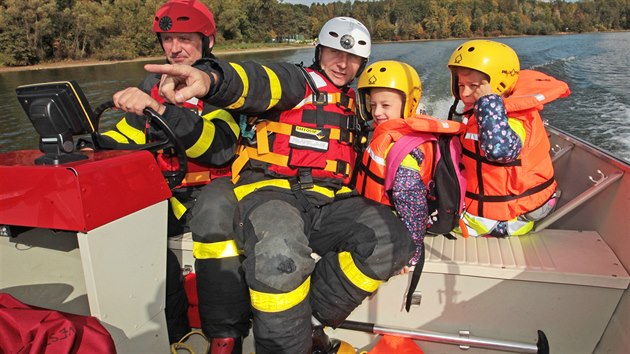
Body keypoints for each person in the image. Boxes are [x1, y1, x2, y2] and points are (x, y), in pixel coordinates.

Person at [143, 17, 415, 354]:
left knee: (393, 240)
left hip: (329, 200)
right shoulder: (295, 82)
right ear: (319, 51)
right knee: (279, 256)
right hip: (273, 191)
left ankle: (311, 321)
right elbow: (256, 80)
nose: (343, 64)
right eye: (334, 53)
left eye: (353, 58)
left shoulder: (357, 104)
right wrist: (211, 78)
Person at [103, 0, 250, 351]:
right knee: (134, 226)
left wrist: (162, 111)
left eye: (185, 38)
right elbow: (128, 137)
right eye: (168, 39)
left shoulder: (222, 86)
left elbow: (220, 147)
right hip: (170, 191)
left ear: (208, 41)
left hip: (216, 188)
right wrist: (91, 142)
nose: (175, 48)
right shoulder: (152, 84)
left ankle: (224, 335)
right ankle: (173, 333)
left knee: (215, 221)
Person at [446, 39, 569, 237]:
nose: (465, 92)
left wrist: (488, 102)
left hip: (510, 218)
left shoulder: (515, 119)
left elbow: (500, 151)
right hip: (491, 209)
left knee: (427, 220)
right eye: (460, 85)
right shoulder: (477, 114)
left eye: (474, 86)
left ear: (499, 85)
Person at [355, 60, 462, 272]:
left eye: (386, 106)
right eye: (373, 104)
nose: (377, 113)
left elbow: (412, 207)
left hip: (393, 219)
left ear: (409, 103)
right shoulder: (386, 133)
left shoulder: (403, 153)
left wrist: (409, 252)